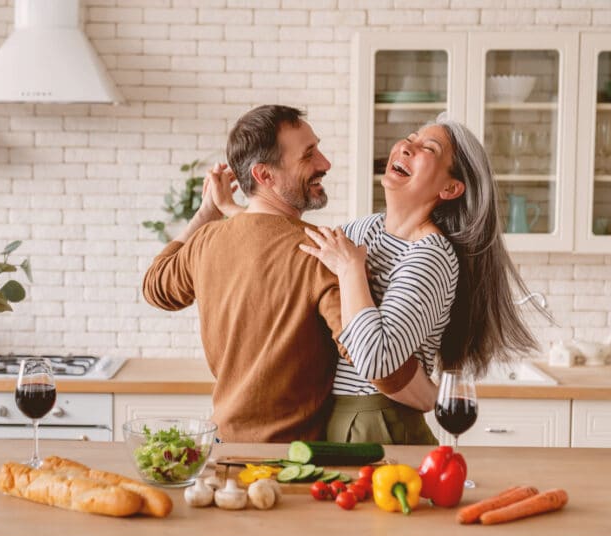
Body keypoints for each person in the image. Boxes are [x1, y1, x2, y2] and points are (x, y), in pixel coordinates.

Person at [142, 105, 429, 443]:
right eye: (308, 156)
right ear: (265, 176)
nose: (325, 163)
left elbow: (155, 287)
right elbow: (376, 363)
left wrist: (206, 213)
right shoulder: (321, 253)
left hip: (222, 448)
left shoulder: (206, 241)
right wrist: (435, 397)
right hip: (292, 460)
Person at [296, 117, 545, 444]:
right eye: (410, 139)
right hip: (335, 416)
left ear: (450, 188)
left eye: (428, 148)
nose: (405, 146)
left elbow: (377, 360)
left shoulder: (431, 255)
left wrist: (350, 271)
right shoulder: (363, 230)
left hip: (379, 422)